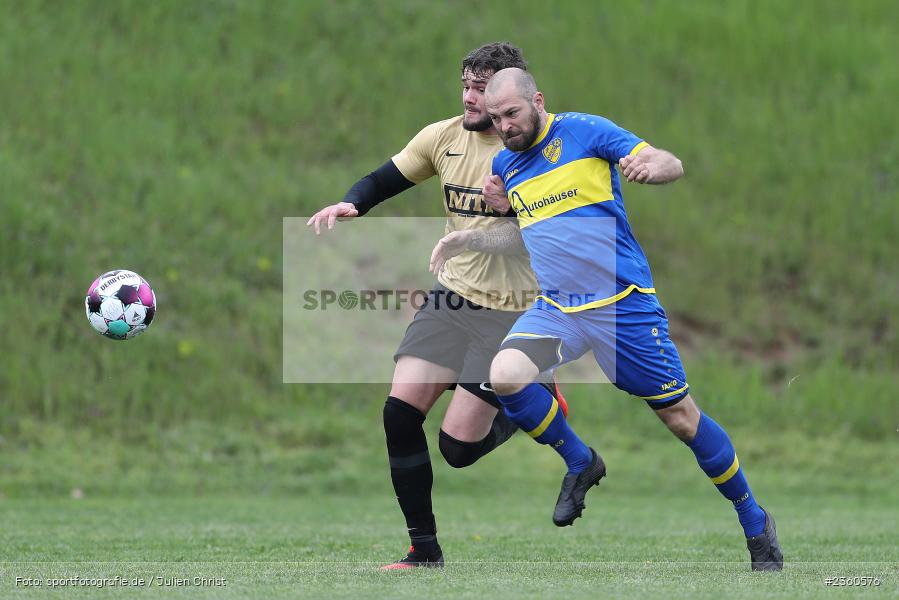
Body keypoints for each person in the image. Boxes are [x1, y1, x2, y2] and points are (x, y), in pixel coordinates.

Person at [475, 67, 783, 571]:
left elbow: (668, 161)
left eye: (512, 113)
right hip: (559, 309)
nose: (505, 125)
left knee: (681, 419)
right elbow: (535, 226)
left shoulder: (586, 131)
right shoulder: (505, 163)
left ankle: (754, 519)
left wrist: (653, 168)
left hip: (622, 306)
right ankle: (581, 461)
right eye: (496, 118)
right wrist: (504, 209)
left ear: (538, 100)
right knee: (505, 374)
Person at [306, 44, 568, 570]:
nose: (470, 98)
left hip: (513, 311)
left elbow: (541, 235)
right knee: (399, 415)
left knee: (457, 450)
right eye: (466, 85)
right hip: (452, 300)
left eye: (482, 90)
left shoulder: (542, 151)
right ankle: (423, 551)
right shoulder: (443, 137)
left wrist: (489, 225)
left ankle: (531, 396)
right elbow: (386, 177)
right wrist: (353, 202)